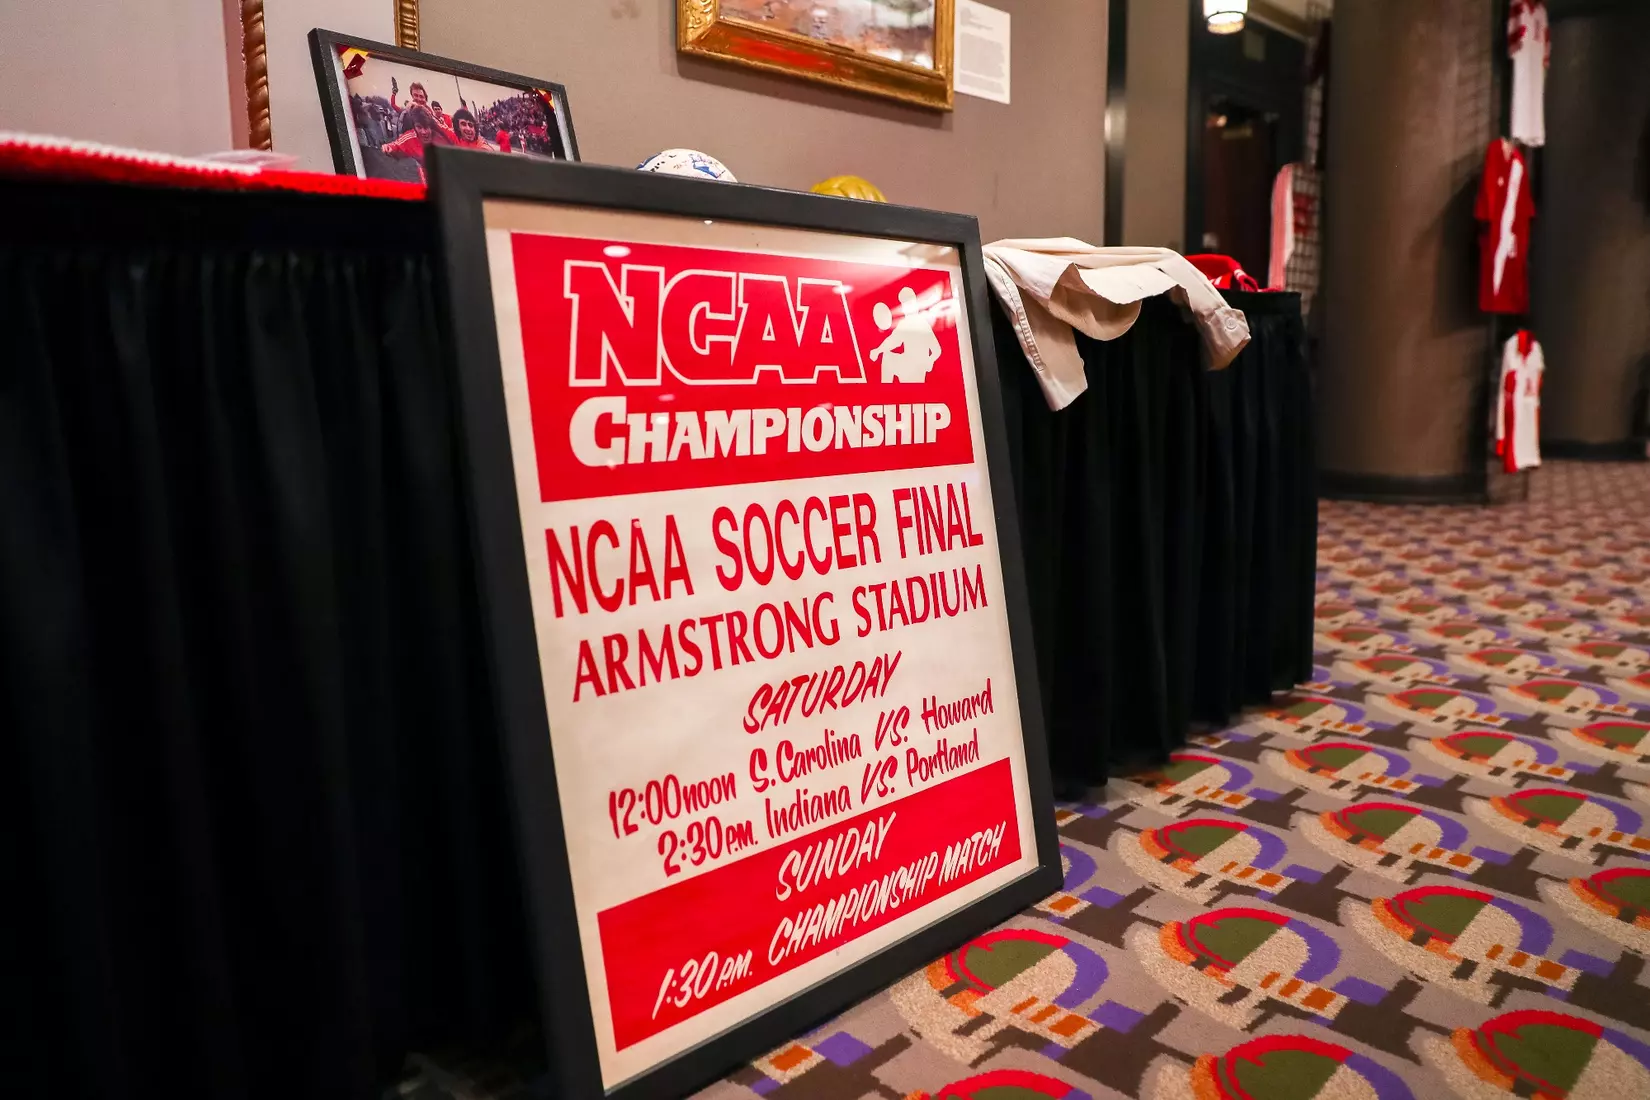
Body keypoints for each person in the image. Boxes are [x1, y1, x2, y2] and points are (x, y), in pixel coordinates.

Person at [869, 286, 942, 383]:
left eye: (908, 304)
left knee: (887, 358)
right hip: (909, 365)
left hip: (914, 369)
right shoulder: (910, 323)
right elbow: (893, 340)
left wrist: (929, 361)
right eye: (904, 305)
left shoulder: (916, 324)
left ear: (915, 304)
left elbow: (937, 350)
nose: (905, 308)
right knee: (888, 357)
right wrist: (878, 350)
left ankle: (885, 393)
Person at [379, 104, 452, 183]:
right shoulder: (409, 137)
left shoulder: (442, 136)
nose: (424, 132)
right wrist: (388, 147)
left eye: (426, 127)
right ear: (414, 126)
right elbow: (395, 145)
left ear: (431, 126)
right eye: (419, 127)